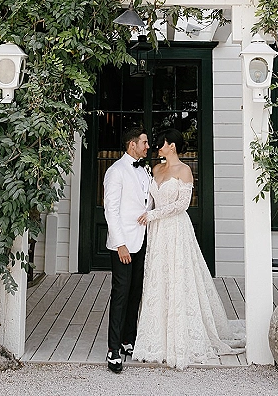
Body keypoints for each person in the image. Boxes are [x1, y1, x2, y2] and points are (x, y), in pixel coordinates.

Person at [132, 127, 245, 370]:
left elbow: (182, 205)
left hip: (175, 229)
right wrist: (144, 217)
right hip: (157, 232)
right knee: (158, 279)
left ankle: (181, 337)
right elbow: (149, 200)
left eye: (161, 144)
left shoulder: (184, 171)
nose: (157, 148)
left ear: (171, 145)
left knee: (179, 277)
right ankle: (155, 338)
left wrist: (152, 215)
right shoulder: (156, 169)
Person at [103, 126, 152, 374]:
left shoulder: (144, 170)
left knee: (135, 292)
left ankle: (127, 340)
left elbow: (147, 201)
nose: (147, 146)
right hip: (123, 244)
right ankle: (113, 350)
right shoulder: (116, 171)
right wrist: (120, 243)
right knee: (121, 294)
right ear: (132, 144)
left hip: (141, 241)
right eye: (144, 142)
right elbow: (110, 210)